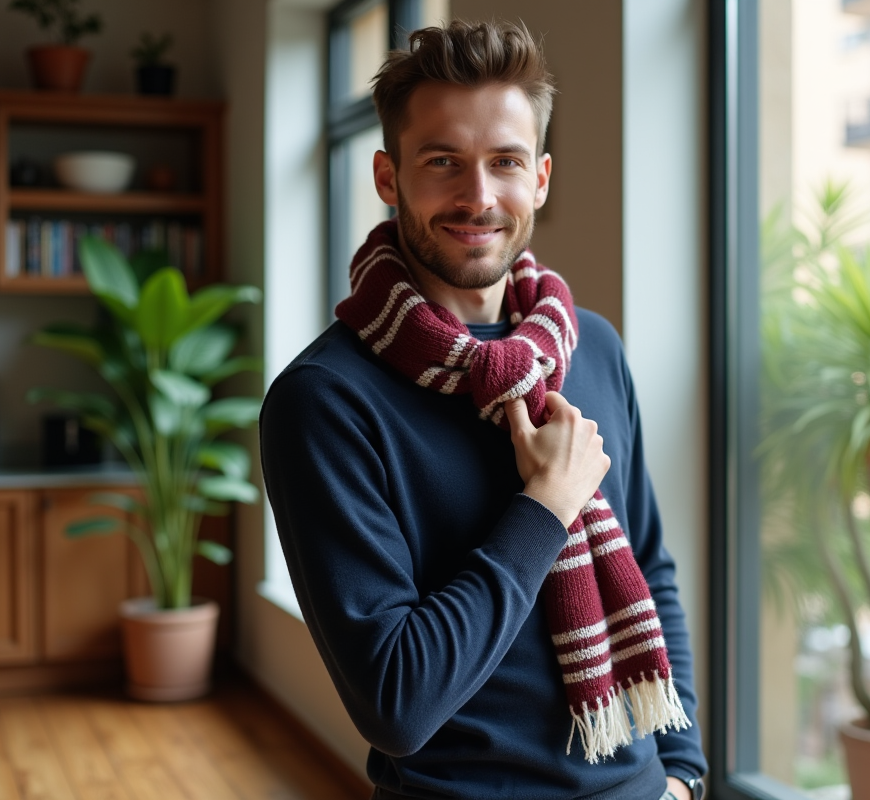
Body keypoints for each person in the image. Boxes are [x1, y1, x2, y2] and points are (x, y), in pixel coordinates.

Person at [259, 18, 708, 800]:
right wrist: (546, 506)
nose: (478, 196)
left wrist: (684, 773)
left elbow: (652, 566)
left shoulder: (590, 348)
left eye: (505, 162)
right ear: (388, 177)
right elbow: (396, 704)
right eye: (443, 162)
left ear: (539, 177)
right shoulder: (325, 401)